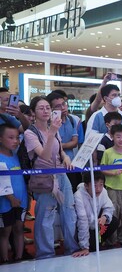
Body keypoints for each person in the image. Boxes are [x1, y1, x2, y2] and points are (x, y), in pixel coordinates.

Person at [24, 96, 78, 259]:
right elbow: (45, 156)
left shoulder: (52, 127)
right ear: (33, 112)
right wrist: (53, 132)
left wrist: (66, 157)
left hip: (61, 173)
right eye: (41, 108)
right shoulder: (29, 133)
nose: (46, 111)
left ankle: (72, 248)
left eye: (48, 107)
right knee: (45, 216)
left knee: (69, 211)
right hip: (44, 177)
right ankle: (45, 254)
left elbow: (59, 150)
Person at [100, 124, 122, 245]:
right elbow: (102, 169)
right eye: (118, 136)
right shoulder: (108, 152)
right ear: (112, 137)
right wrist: (113, 173)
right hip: (112, 188)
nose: (121, 139)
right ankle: (111, 239)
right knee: (113, 214)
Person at [72, 171, 119, 257]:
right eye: (94, 185)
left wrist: (105, 216)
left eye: (101, 184)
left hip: (96, 224)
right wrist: (84, 246)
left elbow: (109, 207)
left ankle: (98, 241)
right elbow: (82, 222)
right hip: (85, 228)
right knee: (92, 248)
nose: (98, 189)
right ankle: (90, 243)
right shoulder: (78, 196)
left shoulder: (103, 191)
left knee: (114, 221)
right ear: (86, 186)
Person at [0, 124, 27, 263]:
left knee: (19, 228)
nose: (15, 141)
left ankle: (19, 257)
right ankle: (4, 259)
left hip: (21, 199)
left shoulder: (17, 156)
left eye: (17, 137)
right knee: (5, 231)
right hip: (5, 202)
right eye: (10, 138)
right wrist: (10, 198)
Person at [47, 91, 81, 189]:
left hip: (71, 163)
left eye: (63, 104)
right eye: (58, 106)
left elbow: (75, 142)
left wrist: (60, 145)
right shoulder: (49, 124)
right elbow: (50, 145)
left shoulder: (71, 120)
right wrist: (59, 145)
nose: (63, 108)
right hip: (55, 165)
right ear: (52, 109)